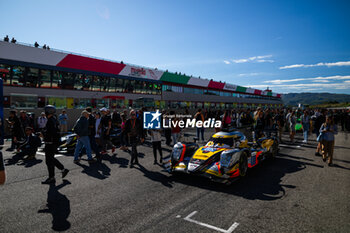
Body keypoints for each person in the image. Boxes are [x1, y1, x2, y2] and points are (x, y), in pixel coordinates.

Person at [41, 105, 69, 184]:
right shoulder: (54, 119)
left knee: (49, 160)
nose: (45, 113)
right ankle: (60, 171)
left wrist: (43, 134)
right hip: (53, 143)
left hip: (50, 143)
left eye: (45, 111)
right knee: (50, 159)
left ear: (48, 112)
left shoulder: (50, 121)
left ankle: (52, 177)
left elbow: (50, 133)